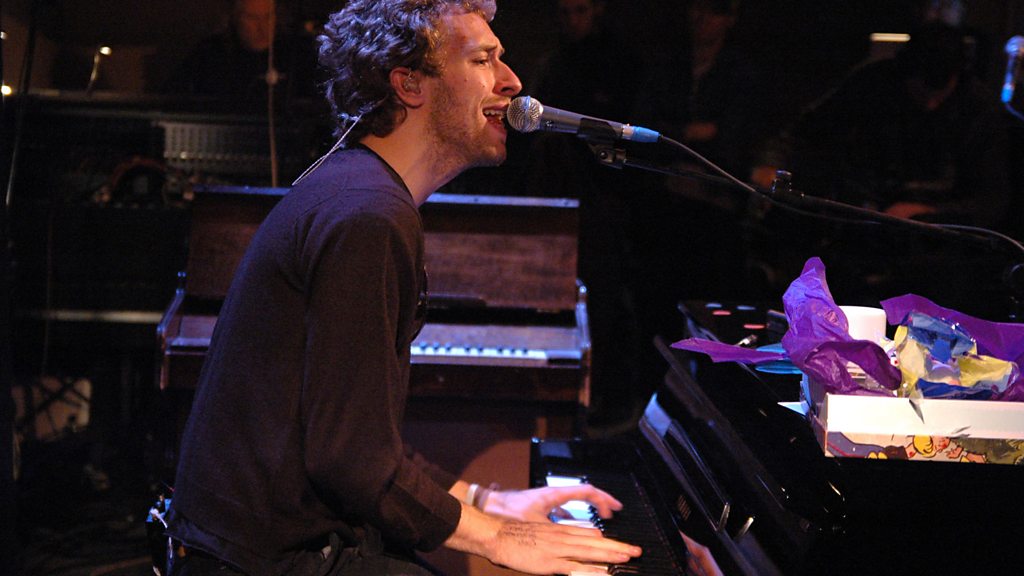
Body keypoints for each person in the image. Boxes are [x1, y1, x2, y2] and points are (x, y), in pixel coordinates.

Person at [163, 1, 642, 575]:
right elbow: (350, 460)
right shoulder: (368, 215)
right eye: (483, 60)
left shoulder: (360, 189)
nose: (512, 82)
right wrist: (497, 537)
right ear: (409, 84)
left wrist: (486, 501)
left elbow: (359, 438)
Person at [161, 0, 316, 104]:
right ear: (234, 18)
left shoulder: (296, 55)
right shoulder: (210, 54)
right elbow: (171, 97)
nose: (262, 27)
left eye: (268, 16)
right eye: (252, 18)